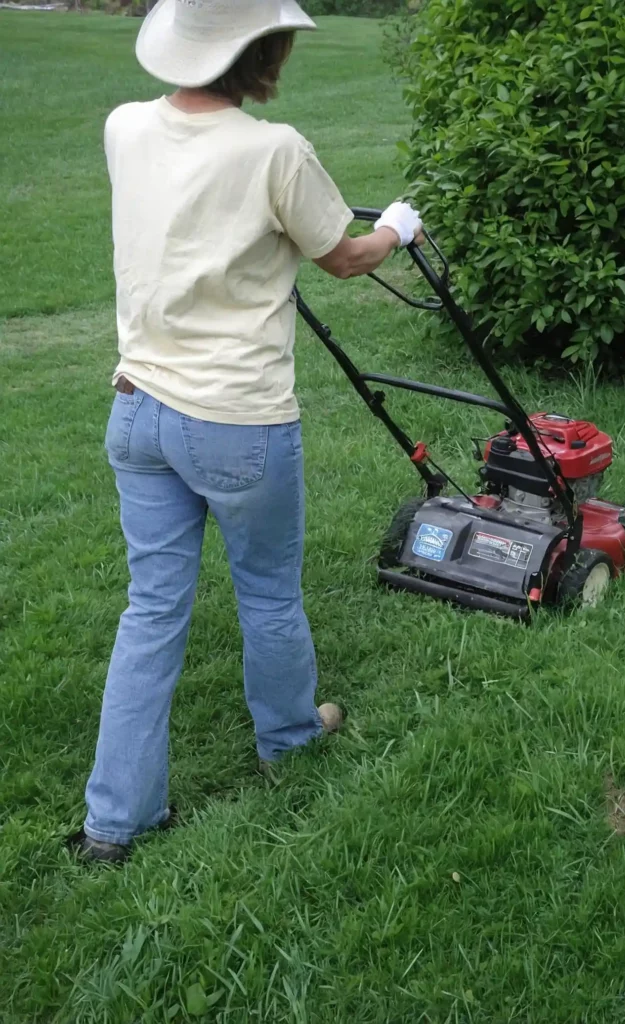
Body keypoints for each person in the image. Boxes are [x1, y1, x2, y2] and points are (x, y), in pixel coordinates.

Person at [66, 0, 423, 864]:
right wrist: (397, 229)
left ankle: (114, 824)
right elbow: (341, 257)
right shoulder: (274, 150)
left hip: (138, 407)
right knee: (266, 593)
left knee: (150, 610)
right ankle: (291, 744)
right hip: (235, 421)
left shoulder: (124, 126)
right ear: (262, 52)